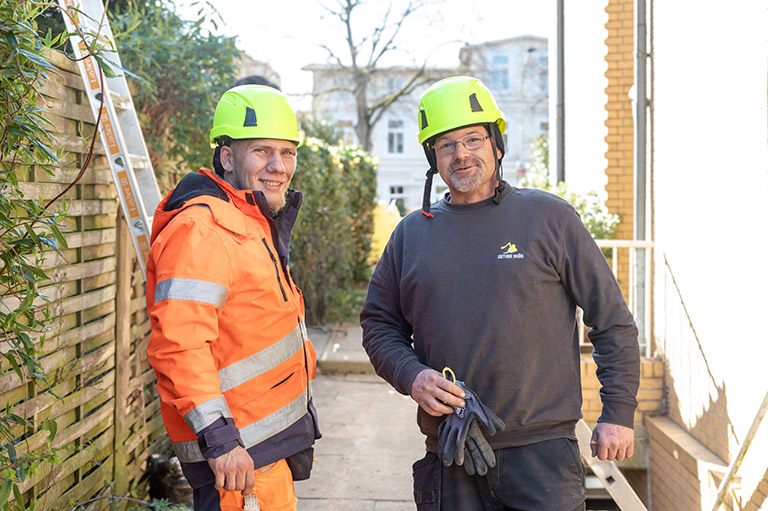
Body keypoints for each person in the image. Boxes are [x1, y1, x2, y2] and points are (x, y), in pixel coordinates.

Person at [360, 76, 640, 510]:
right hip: (450, 450)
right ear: (432, 156)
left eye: (473, 138)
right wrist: (412, 376)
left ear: (496, 143)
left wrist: (618, 413)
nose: (462, 154)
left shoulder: (549, 219)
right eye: (446, 144)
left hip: (542, 455)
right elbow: (379, 325)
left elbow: (612, 320)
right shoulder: (410, 234)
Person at [146, 85, 320, 511]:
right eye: (261, 151)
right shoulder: (201, 230)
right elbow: (180, 347)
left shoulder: (248, 219)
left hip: (261, 451)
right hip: (237, 462)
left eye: (287, 152)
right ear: (227, 157)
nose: (278, 166)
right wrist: (221, 440)